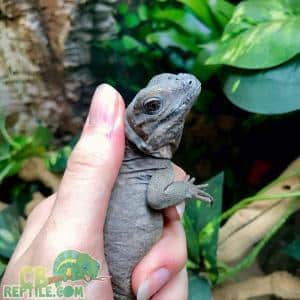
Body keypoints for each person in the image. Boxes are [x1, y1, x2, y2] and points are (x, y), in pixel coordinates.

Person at [1, 84, 188, 300]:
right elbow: (157, 198)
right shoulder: (129, 167)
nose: (187, 83)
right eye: (154, 106)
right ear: (137, 128)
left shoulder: (147, 167)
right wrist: (188, 189)